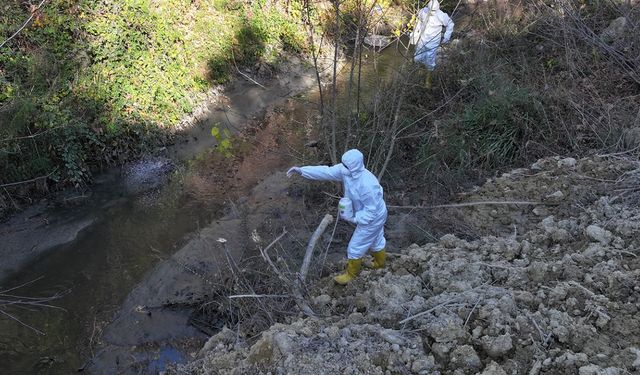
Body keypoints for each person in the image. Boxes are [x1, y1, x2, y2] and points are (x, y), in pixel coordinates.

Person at [287, 149, 388, 285]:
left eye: (346, 166)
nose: (343, 167)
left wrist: (354, 218)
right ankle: (379, 264)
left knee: (355, 247)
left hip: (374, 217)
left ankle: (351, 275)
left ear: (354, 166)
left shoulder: (367, 185)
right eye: (343, 164)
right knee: (376, 239)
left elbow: (371, 211)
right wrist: (302, 171)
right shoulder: (347, 171)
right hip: (370, 214)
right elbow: (326, 172)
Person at [410, 0, 454, 86]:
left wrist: (446, 37)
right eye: (431, 10)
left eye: (434, 11)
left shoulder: (441, 15)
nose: (432, 12)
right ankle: (420, 77)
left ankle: (427, 81)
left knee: (430, 61)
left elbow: (450, 24)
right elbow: (418, 22)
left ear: (437, 9)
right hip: (422, 40)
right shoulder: (423, 11)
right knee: (418, 58)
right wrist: (414, 34)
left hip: (433, 42)